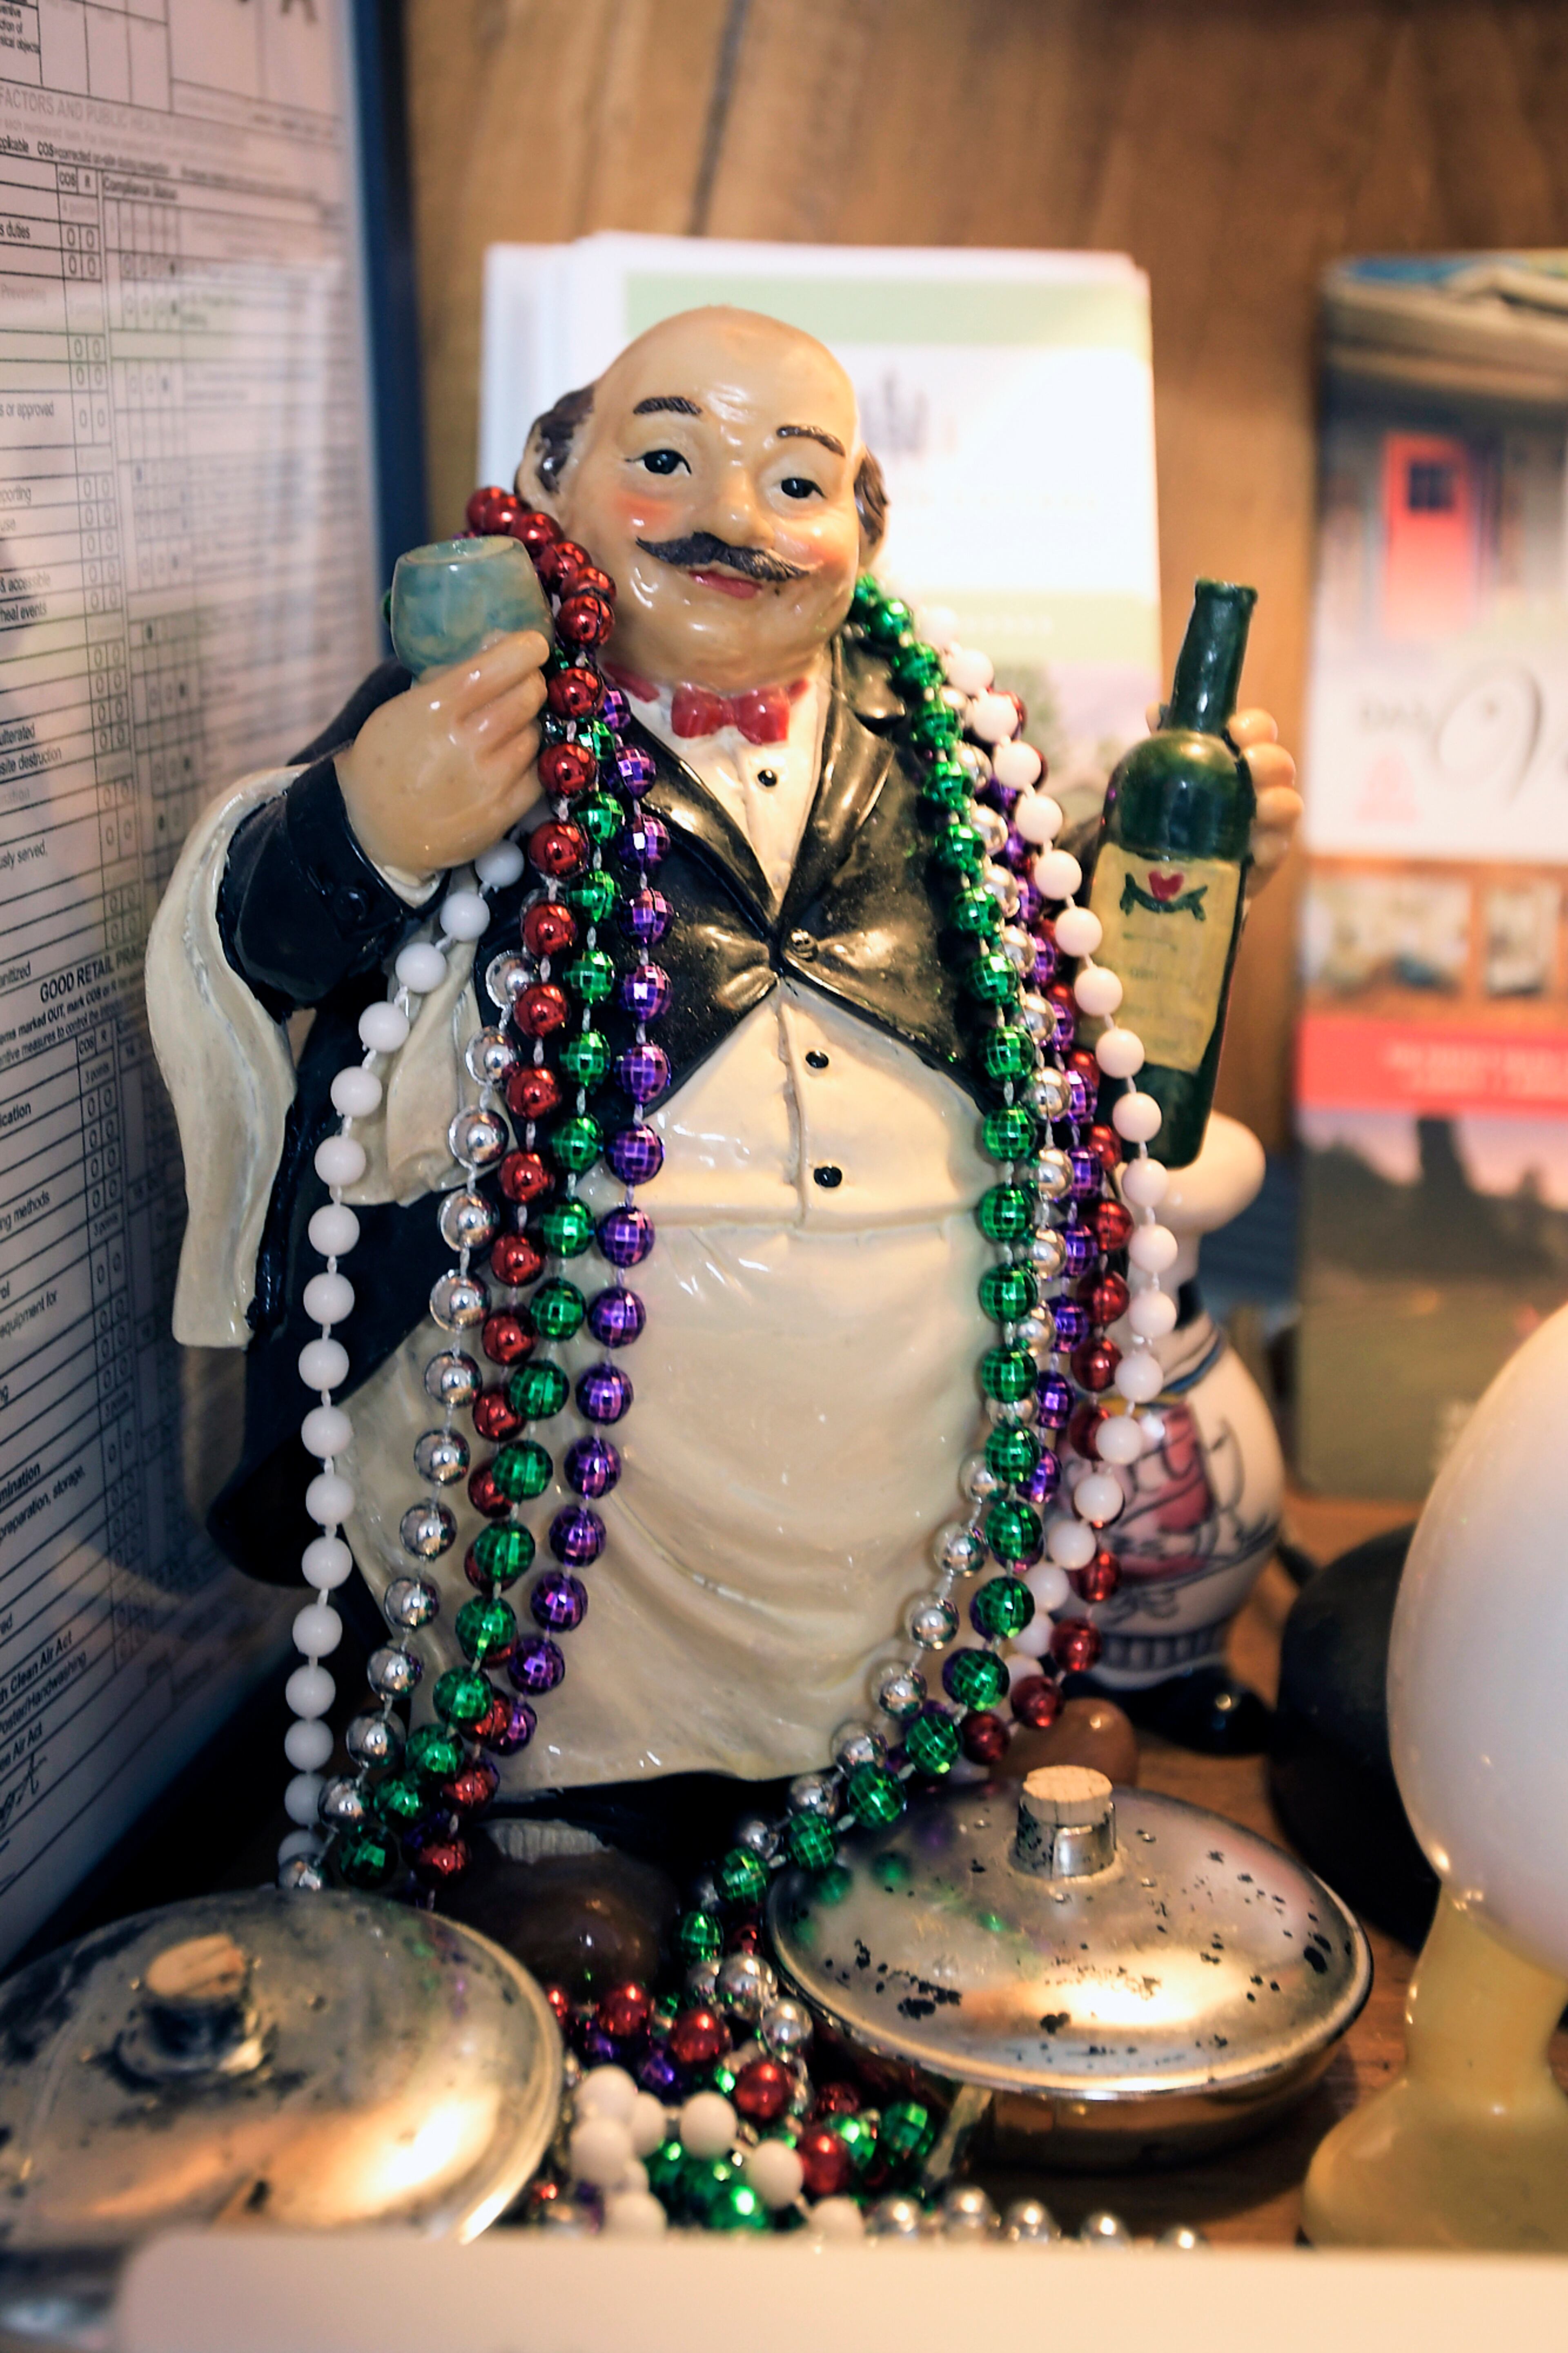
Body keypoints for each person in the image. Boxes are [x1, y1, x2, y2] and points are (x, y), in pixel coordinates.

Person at [147, 306, 1300, 1858]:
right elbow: (258, 933)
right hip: (581, 1447)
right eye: (669, 455)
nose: (733, 517)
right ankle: (573, 1826)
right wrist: (371, 825)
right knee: (554, 1659)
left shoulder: (949, 754)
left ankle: (905, 1760)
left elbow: (1036, 973)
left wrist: (1161, 884)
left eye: (798, 482)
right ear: (554, 477)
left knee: (899, 1661)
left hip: (904, 1459)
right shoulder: (485, 718)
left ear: (865, 529)